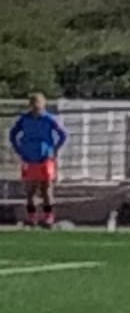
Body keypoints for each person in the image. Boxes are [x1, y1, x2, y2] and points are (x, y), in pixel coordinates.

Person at [9, 93, 66, 230]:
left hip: (45, 158)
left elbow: (63, 134)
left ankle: (48, 217)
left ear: (43, 105)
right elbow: (13, 134)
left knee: (46, 189)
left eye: (38, 105)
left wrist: (54, 149)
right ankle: (31, 217)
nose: (36, 108)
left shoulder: (49, 119)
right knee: (30, 191)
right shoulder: (24, 120)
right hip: (29, 158)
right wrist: (19, 149)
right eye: (34, 105)